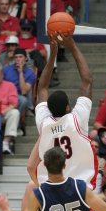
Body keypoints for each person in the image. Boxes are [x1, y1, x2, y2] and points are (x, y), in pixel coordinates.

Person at [33, 35, 97, 188]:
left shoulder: (43, 122)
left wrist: (53, 54)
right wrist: (72, 46)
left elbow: (42, 88)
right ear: (68, 107)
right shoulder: (76, 120)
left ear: (47, 109)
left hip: (50, 186)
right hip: (79, 184)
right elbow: (87, 81)